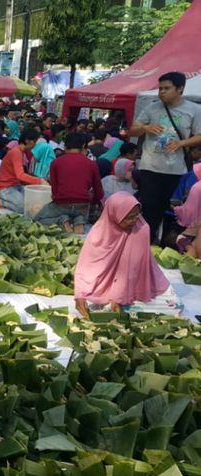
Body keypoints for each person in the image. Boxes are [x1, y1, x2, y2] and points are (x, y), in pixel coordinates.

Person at [129, 71, 201, 244]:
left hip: (175, 168)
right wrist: (146, 128)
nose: (161, 92)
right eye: (160, 88)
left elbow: (199, 135)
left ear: (180, 89)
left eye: (166, 88)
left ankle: (152, 241)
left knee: (162, 207)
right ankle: (142, 242)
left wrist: (181, 144)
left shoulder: (194, 109)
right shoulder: (152, 108)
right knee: (148, 206)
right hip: (150, 166)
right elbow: (133, 130)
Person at [74, 192, 170, 317]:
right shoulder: (98, 233)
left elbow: (130, 269)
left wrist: (118, 298)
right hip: (111, 283)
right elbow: (87, 267)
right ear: (114, 215)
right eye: (129, 217)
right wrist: (80, 294)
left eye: (137, 215)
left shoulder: (141, 229)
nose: (135, 220)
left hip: (131, 282)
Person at [35, 133, 104, 233]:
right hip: (83, 206)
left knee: (38, 219)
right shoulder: (92, 164)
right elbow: (99, 193)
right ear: (83, 146)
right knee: (79, 212)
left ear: (65, 147)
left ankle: (61, 220)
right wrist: (91, 202)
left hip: (62, 204)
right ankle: (79, 220)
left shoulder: (56, 163)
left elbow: (55, 191)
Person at [0, 129, 46, 213]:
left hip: (16, 185)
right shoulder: (16, 152)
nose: (35, 145)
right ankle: (2, 201)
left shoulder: (21, 152)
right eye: (34, 142)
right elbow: (20, 175)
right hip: (4, 187)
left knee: (34, 203)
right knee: (24, 208)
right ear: (27, 140)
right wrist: (40, 181)